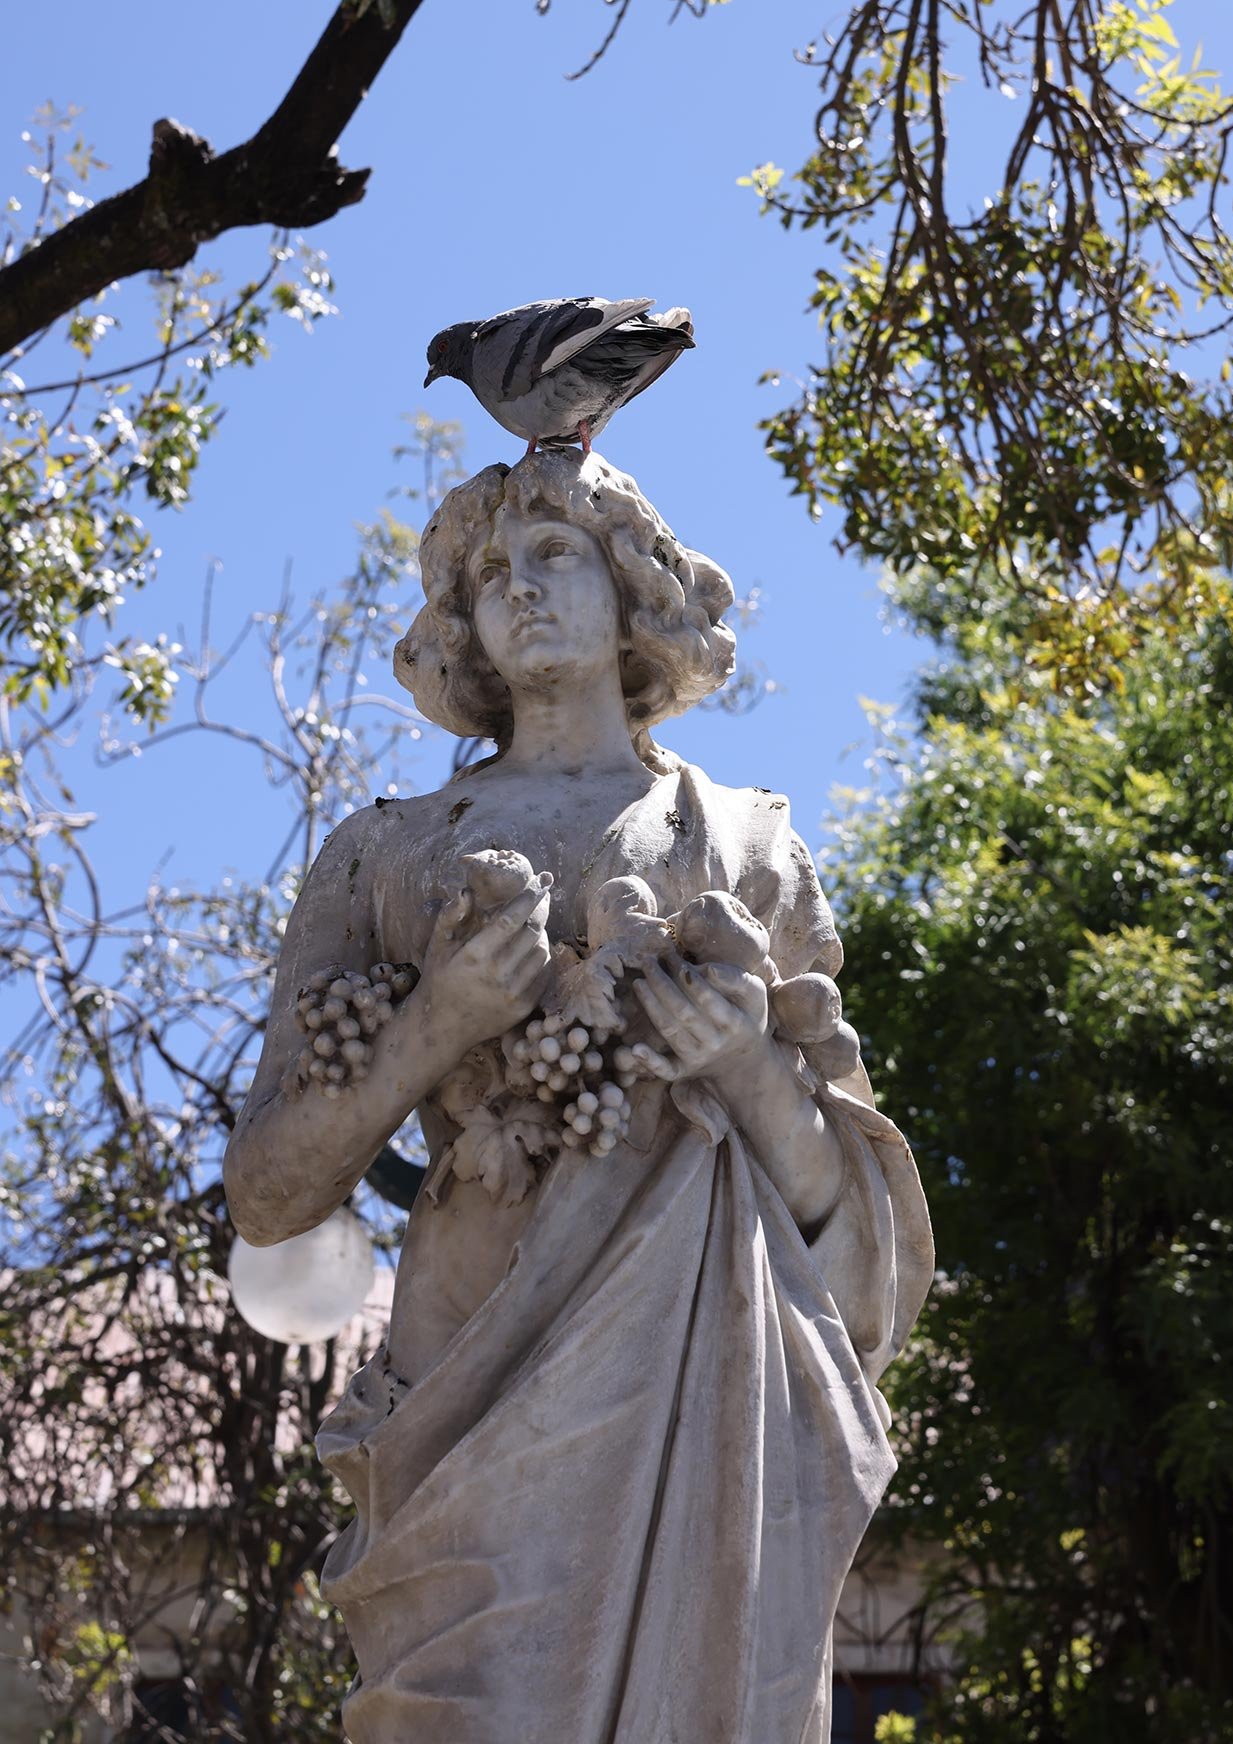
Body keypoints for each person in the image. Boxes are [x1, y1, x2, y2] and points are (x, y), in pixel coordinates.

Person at [224, 449, 932, 1742]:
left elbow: (856, 1268)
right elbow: (270, 1195)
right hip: (471, 1365)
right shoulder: (383, 850)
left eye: (554, 552)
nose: (518, 588)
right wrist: (437, 1025)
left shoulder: (748, 845)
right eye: (489, 570)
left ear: (634, 588)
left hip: (704, 1378)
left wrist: (742, 1069)